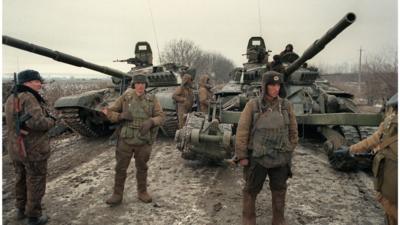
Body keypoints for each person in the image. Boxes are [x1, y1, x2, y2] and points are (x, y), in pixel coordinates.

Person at [235, 71, 298, 225]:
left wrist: (289, 149)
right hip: (258, 158)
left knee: (279, 192)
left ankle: (278, 221)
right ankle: (248, 221)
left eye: (278, 85)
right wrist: (242, 155)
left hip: (280, 158)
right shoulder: (253, 105)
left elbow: (293, 132)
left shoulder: (286, 106)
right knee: (250, 191)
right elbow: (242, 131)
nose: (275, 88)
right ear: (264, 86)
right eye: (272, 85)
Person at [331, 93, 397, 225]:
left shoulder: (390, 123)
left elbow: (370, 142)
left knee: (388, 205)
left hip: (391, 179)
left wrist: (349, 150)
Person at [102, 74, 165, 205]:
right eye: (138, 83)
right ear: (134, 85)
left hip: (143, 140)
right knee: (120, 168)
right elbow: (107, 112)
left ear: (146, 85)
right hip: (126, 138)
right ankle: (117, 194)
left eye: (143, 83)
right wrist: (120, 116)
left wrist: (151, 122)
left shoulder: (152, 99)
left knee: (142, 167)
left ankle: (142, 192)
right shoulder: (126, 97)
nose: (140, 86)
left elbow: (161, 116)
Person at [5, 69, 56, 225]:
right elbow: (38, 123)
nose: (40, 84)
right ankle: (34, 216)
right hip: (33, 148)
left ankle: (21, 210)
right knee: (36, 179)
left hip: (15, 147)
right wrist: (52, 121)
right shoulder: (29, 97)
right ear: (27, 83)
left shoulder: (11, 98)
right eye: (36, 81)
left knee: (20, 178)